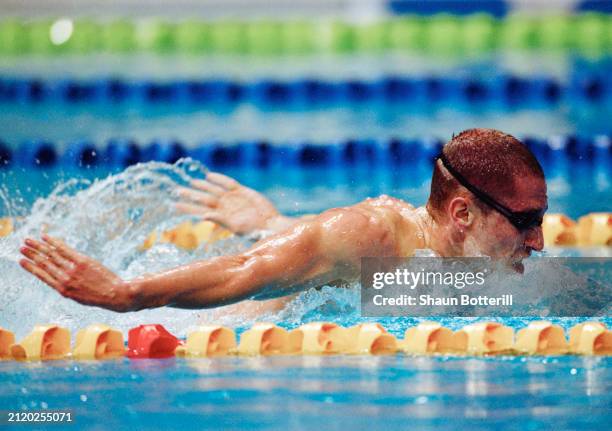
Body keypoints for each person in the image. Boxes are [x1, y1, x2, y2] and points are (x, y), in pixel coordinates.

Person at [19, 128, 547, 312]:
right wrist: (127, 294)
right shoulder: (374, 235)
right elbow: (244, 271)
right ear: (461, 212)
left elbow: (331, 267)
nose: (539, 241)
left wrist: (273, 222)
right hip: (211, 338)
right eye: (525, 221)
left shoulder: (464, 264)